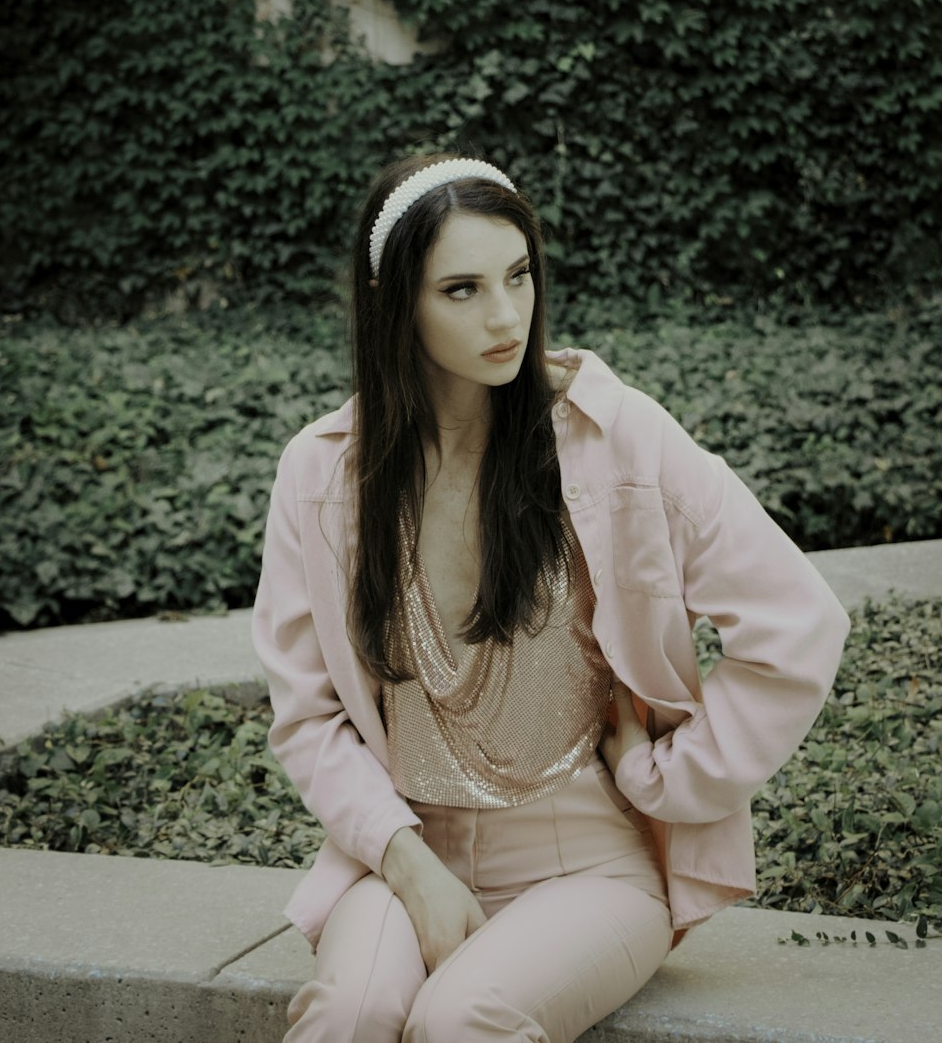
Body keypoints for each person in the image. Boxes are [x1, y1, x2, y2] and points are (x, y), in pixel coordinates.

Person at [252, 154, 850, 1043]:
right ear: (395, 305)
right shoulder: (324, 472)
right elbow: (309, 716)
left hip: (589, 868)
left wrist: (670, 780)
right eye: (460, 289)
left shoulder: (617, 438)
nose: (505, 316)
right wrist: (405, 860)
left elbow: (798, 620)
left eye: (519, 275)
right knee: (350, 1012)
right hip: (408, 848)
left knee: (464, 1021)